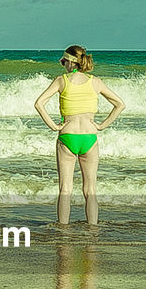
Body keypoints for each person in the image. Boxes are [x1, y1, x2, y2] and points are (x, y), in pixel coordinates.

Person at [33, 45, 125, 225]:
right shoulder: (95, 82)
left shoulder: (62, 81)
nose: (63, 65)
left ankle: (63, 230)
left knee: (65, 189)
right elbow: (120, 104)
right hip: (89, 138)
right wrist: (101, 125)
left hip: (68, 137)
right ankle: (93, 229)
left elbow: (39, 103)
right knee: (90, 190)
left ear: (70, 62)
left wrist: (53, 126)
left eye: (63, 61)